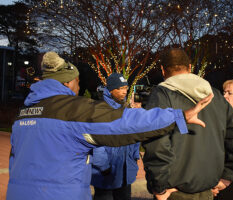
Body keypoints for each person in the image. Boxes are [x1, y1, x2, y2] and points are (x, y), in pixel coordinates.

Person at [6, 51, 213, 200]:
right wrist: (177, 116)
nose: (79, 86)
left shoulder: (23, 114)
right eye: (77, 81)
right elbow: (126, 124)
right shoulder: (74, 110)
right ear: (68, 82)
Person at [142, 48, 233, 200]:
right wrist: (228, 176)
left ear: (162, 70)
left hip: (173, 192)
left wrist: (158, 188)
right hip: (206, 191)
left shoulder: (161, 95)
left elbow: (156, 143)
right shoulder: (215, 95)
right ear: (190, 67)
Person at [91, 73, 140, 200]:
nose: (124, 92)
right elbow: (96, 141)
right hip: (105, 174)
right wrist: (104, 166)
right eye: (120, 88)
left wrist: (134, 156)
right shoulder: (100, 111)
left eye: (125, 88)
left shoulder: (126, 110)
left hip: (125, 172)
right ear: (111, 89)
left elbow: (134, 136)